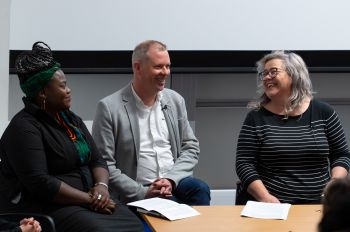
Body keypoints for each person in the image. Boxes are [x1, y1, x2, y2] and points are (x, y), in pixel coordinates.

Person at [0, 42, 143, 232]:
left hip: (88, 200)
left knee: (134, 224)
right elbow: (41, 183)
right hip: (49, 207)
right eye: (62, 86)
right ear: (43, 93)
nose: (68, 90)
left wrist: (101, 188)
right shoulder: (24, 128)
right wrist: (91, 199)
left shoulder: (70, 119)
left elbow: (97, 160)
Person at [92, 40, 210, 205]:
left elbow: (190, 147)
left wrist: (170, 179)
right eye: (158, 67)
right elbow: (104, 164)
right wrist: (143, 192)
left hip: (173, 182)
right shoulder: (109, 107)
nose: (165, 72)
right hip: (138, 187)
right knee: (169, 209)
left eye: (168, 66)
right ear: (138, 67)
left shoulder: (175, 100)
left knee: (200, 188)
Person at [235, 50, 350, 205]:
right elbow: (244, 163)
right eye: (264, 73)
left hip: (318, 205)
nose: (267, 77)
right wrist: (265, 197)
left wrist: (335, 182)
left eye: (273, 71)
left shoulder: (323, 112)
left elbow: (341, 155)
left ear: (294, 74)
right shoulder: (256, 118)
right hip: (272, 206)